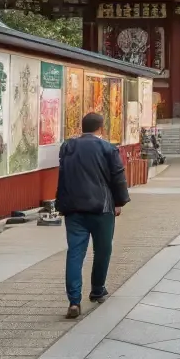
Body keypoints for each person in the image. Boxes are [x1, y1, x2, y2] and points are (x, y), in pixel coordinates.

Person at [55, 111, 130, 318]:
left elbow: (62, 177)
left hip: (74, 209)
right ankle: (97, 290)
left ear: (82, 127)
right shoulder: (107, 148)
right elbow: (118, 176)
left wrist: (61, 203)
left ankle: (74, 301)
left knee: (75, 253)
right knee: (102, 251)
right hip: (102, 208)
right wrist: (119, 201)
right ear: (101, 128)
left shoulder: (68, 147)